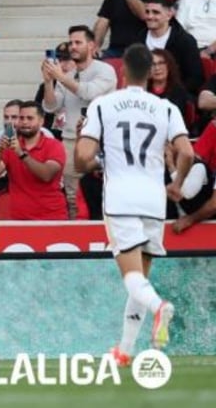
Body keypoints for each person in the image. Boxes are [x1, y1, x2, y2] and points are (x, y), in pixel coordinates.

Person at [76, 44, 193, 360]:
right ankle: (125, 350)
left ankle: (160, 307)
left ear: (123, 71)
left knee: (130, 276)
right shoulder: (166, 107)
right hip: (153, 199)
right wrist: (177, 184)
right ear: (149, 74)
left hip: (121, 198)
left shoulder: (103, 105)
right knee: (140, 277)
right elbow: (188, 152)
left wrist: (95, 161)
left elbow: (83, 157)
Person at [0, 100, 68, 220]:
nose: (25, 122)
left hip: (51, 217)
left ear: (41, 121)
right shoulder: (10, 147)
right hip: (19, 219)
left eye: (30, 118)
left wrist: (21, 154)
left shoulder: (54, 145)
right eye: (21, 118)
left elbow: (46, 174)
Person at [41, 25, 119, 144]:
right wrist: (48, 82)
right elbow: (51, 107)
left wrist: (61, 77)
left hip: (98, 139)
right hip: (69, 139)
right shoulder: (67, 76)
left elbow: (88, 92)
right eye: (71, 43)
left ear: (91, 45)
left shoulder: (105, 70)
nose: (73, 47)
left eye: (78, 43)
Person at [142, 0, 205, 94]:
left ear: (169, 14)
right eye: (147, 12)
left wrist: (172, 93)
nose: (150, 16)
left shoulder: (185, 41)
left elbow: (195, 78)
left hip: (176, 97)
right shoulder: (138, 39)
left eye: (156, 12)